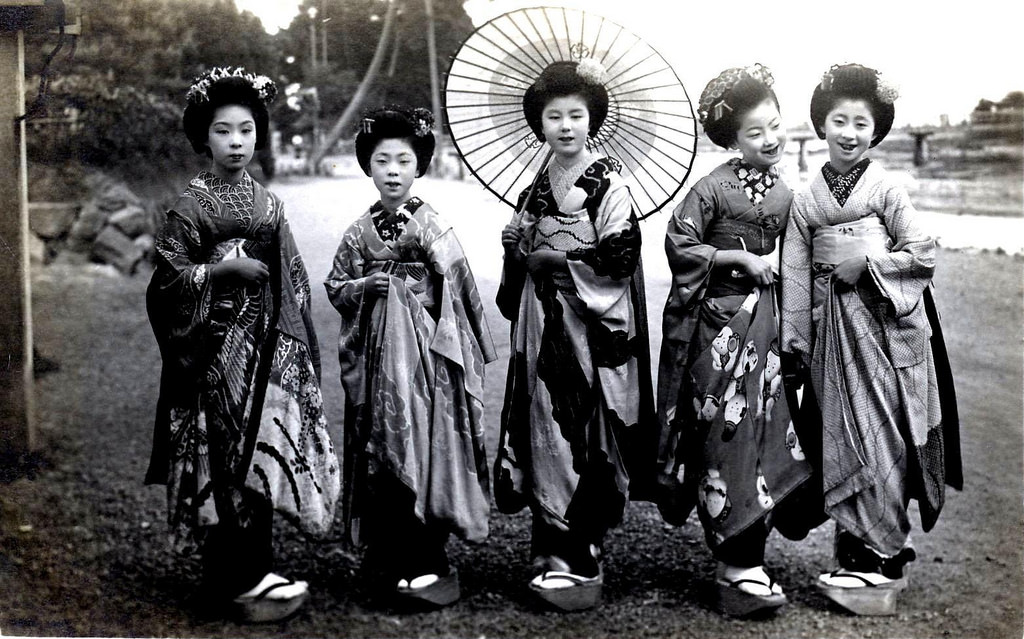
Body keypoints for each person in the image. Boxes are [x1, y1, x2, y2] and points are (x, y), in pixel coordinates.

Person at [146, 66, 340, 623]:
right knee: (222, 458)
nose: (237, 142)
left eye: (248, 130)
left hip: (264, 350)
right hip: (210, 354)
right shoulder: (190, 206)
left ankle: (257, 569)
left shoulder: (269, 204)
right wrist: (224, 267)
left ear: (260, 135)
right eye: (224, 131)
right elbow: (166, 280)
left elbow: (293, 277)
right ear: (203, 137)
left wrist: (295, 343)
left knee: (257, 452)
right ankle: (228, 579)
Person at [780, 63, 962, 616]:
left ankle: (883, 553)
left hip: (884, 332)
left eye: (862, 122)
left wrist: (870, 264)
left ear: (876, 129)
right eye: (839, 120)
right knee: (842, 434)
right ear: (822, 125)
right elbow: (793, 272)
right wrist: (796, 340)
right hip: (832, 337)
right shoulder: (806, 199)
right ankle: (854, 556)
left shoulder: (886, 187)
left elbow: (922, 252)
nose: (849, 133)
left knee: (884, 438)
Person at [494, 59, 657, 612]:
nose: (565, 126)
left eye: (576, 115)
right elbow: (521, 258)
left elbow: (620, 255)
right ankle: (549, 540)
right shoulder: (536, 187)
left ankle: (583, 547)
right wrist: (515, 246)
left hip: (588, 327)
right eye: (553, 115)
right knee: (540, 421)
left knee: (582, 426)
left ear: (593, 121)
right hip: (541, 323)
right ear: (539, 123)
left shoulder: (608, 183)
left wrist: (556, 259)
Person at [654, 64, 812, 618]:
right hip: (719, 329)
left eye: (774, 126)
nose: (770, 139)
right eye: (754, 132)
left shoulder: (789, 192)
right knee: (726, 435)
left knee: (768, 433)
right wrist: (736, 258)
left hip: (768, 333)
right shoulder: (710, 189)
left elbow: (801, 254)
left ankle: (750, 557)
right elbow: (680, 247)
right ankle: (734, 563)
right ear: (731, 138)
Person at [324, 105, 496, 609]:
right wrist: (364, 285)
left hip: (427, 360)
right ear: (369, 167)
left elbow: (461, 289)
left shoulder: (433, 225)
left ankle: (428, 559)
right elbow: (335, 285)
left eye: (404, 159)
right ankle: (387, 557)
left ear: (419, 165)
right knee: (380, 447)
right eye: (382, 160)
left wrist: (436, 320)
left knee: (426, 445)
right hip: (378, 358)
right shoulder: (359, 232)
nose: (393, 170)